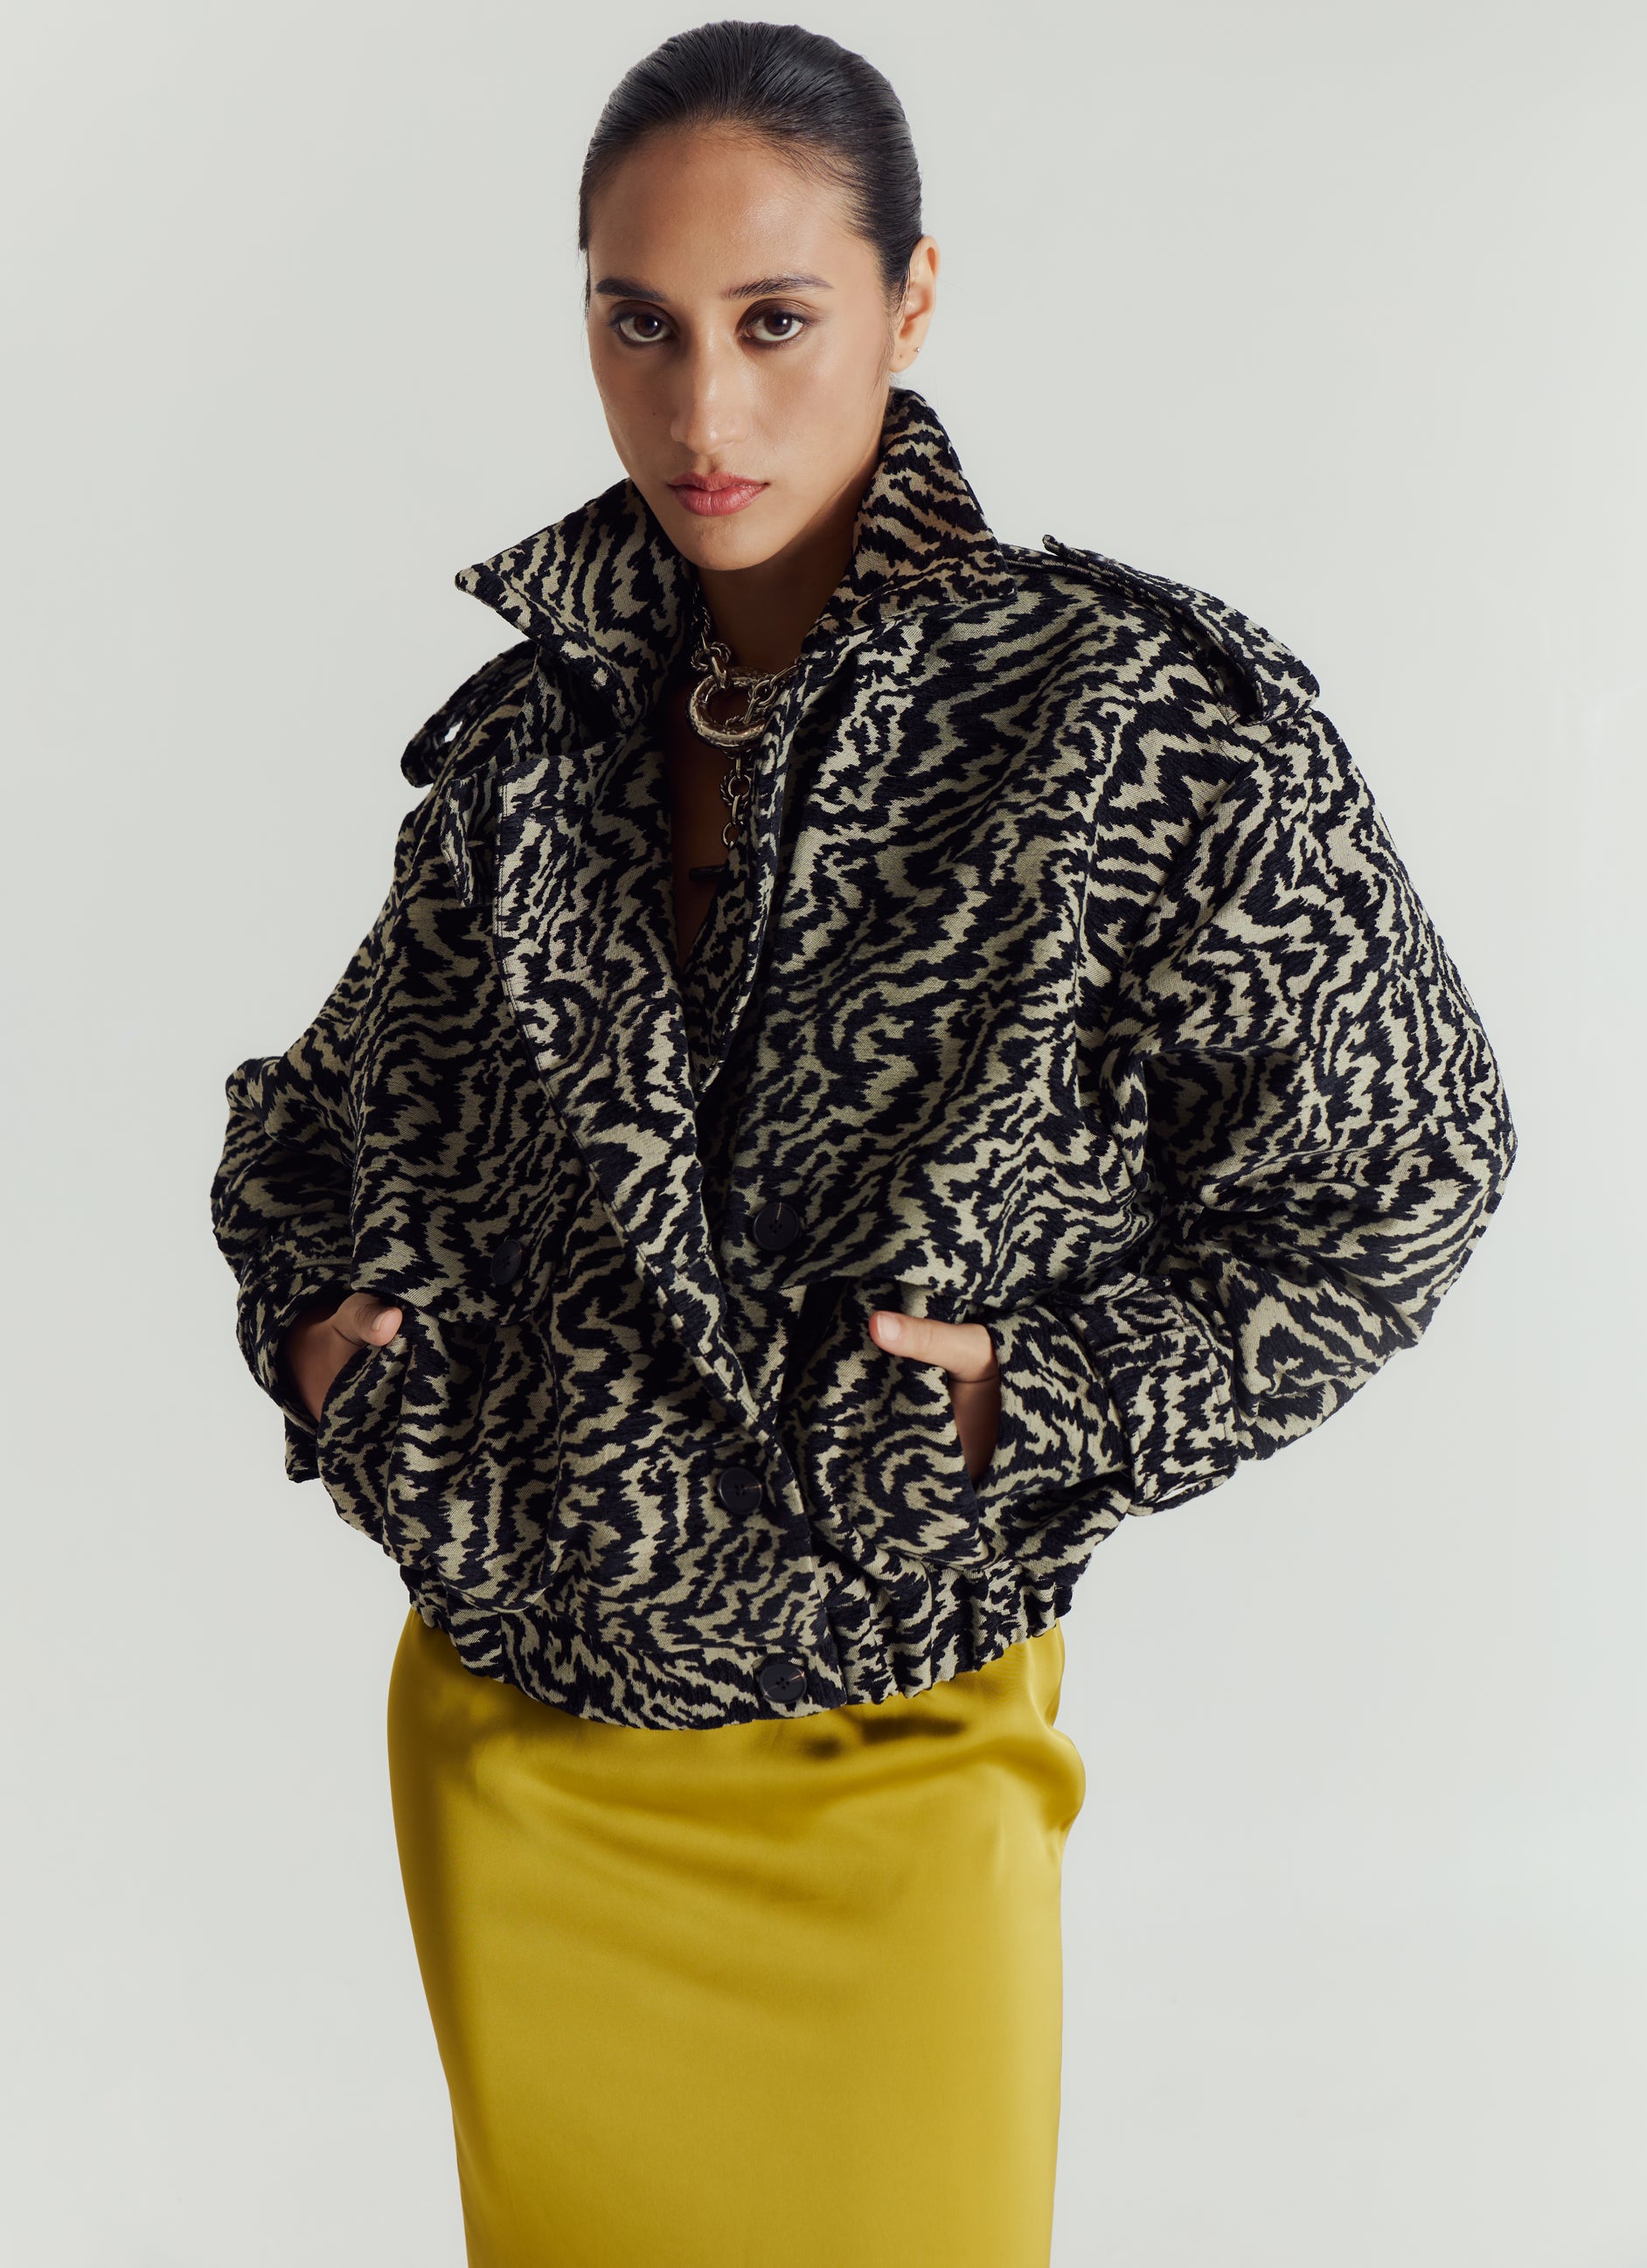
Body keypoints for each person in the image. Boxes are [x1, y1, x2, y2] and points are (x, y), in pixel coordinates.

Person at [209, 20, 1518, 2267]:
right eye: (638, 324)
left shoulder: (1125, 714)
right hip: (517, 1751)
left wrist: (1053, 1398)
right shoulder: (537, 733)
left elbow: (1407, 1158)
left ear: (912, 302)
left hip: (895, 1747)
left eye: (774, 319)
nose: (700, 412)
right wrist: (348, 1363)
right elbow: (326, 1120)